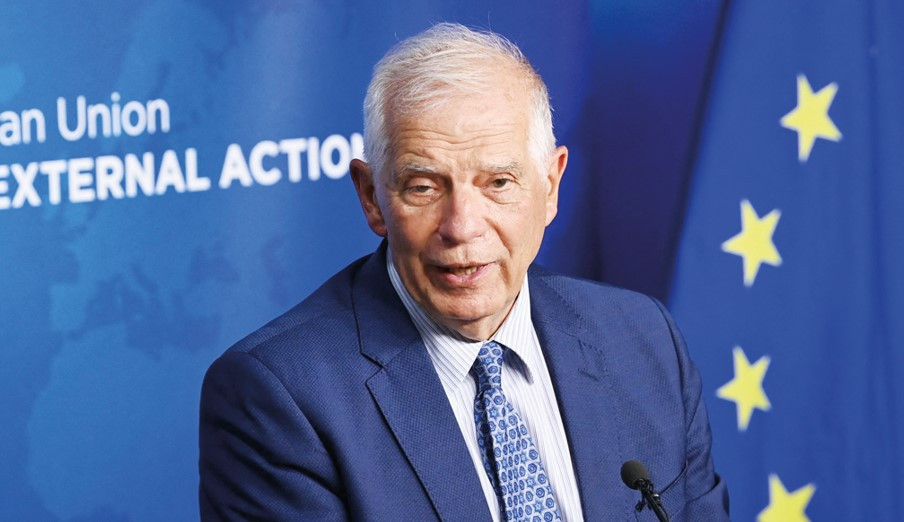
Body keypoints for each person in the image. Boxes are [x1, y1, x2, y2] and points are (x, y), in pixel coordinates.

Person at [199, 23, 729, 521]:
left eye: (498, 183)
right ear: (372, 198)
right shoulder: (279, 397)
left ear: (550, 187)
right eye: (424, 187)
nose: (462, 227)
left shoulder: (643, 341)